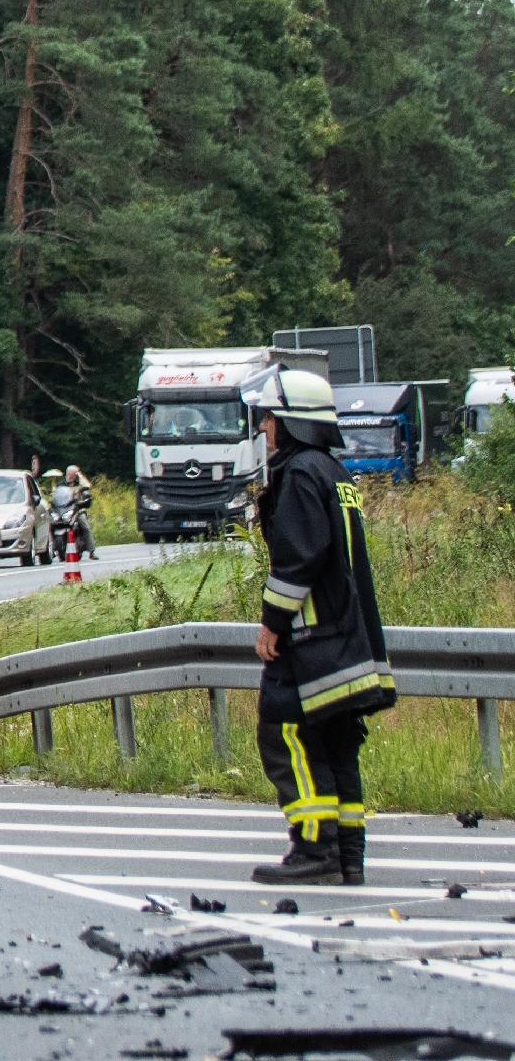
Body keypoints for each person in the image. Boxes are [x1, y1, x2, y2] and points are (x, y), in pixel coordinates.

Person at [246, 368, 397, 886]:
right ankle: (347, 857)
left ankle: (314, 850)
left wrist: (271, 624)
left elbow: (299, 558)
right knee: (336, 743)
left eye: (268, 416)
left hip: (312, 641)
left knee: (284, 732)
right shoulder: (334, 474)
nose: (263, 426)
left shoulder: (298, 475)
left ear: (289, 422)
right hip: (350, 639)